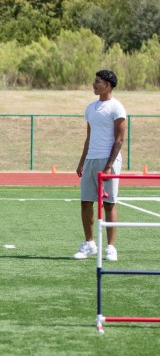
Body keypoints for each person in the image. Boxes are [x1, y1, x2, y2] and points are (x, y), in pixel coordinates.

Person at [74, 70, 126, 262]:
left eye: (98, 82)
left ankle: (111, 248)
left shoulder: (117, 108)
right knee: (86, 202)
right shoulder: (90, 108)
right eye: (94, 81)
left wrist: (108, 165)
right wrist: (81, 162)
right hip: (90, 160)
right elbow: (88, 138)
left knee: (109, 203)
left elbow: (119, 140)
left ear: (108, 85)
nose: (94, 85)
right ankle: (89, 244)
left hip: (108, 160)